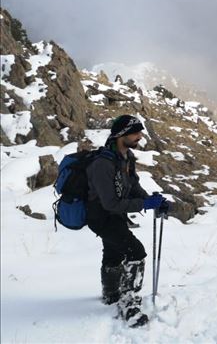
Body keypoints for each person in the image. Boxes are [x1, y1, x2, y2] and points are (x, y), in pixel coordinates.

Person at [86, 115, 169, 328]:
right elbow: (111, 203)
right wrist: (144, 204)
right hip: (101, 216)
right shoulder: (103, 164)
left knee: (113, 251)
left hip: (115, 215)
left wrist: (153, 200)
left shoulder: (126, 156)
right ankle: (128, 303)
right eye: (135, 133)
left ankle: (111, 294)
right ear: (121, 135)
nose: (140, 136)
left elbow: (132, 186)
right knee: (135, 252)